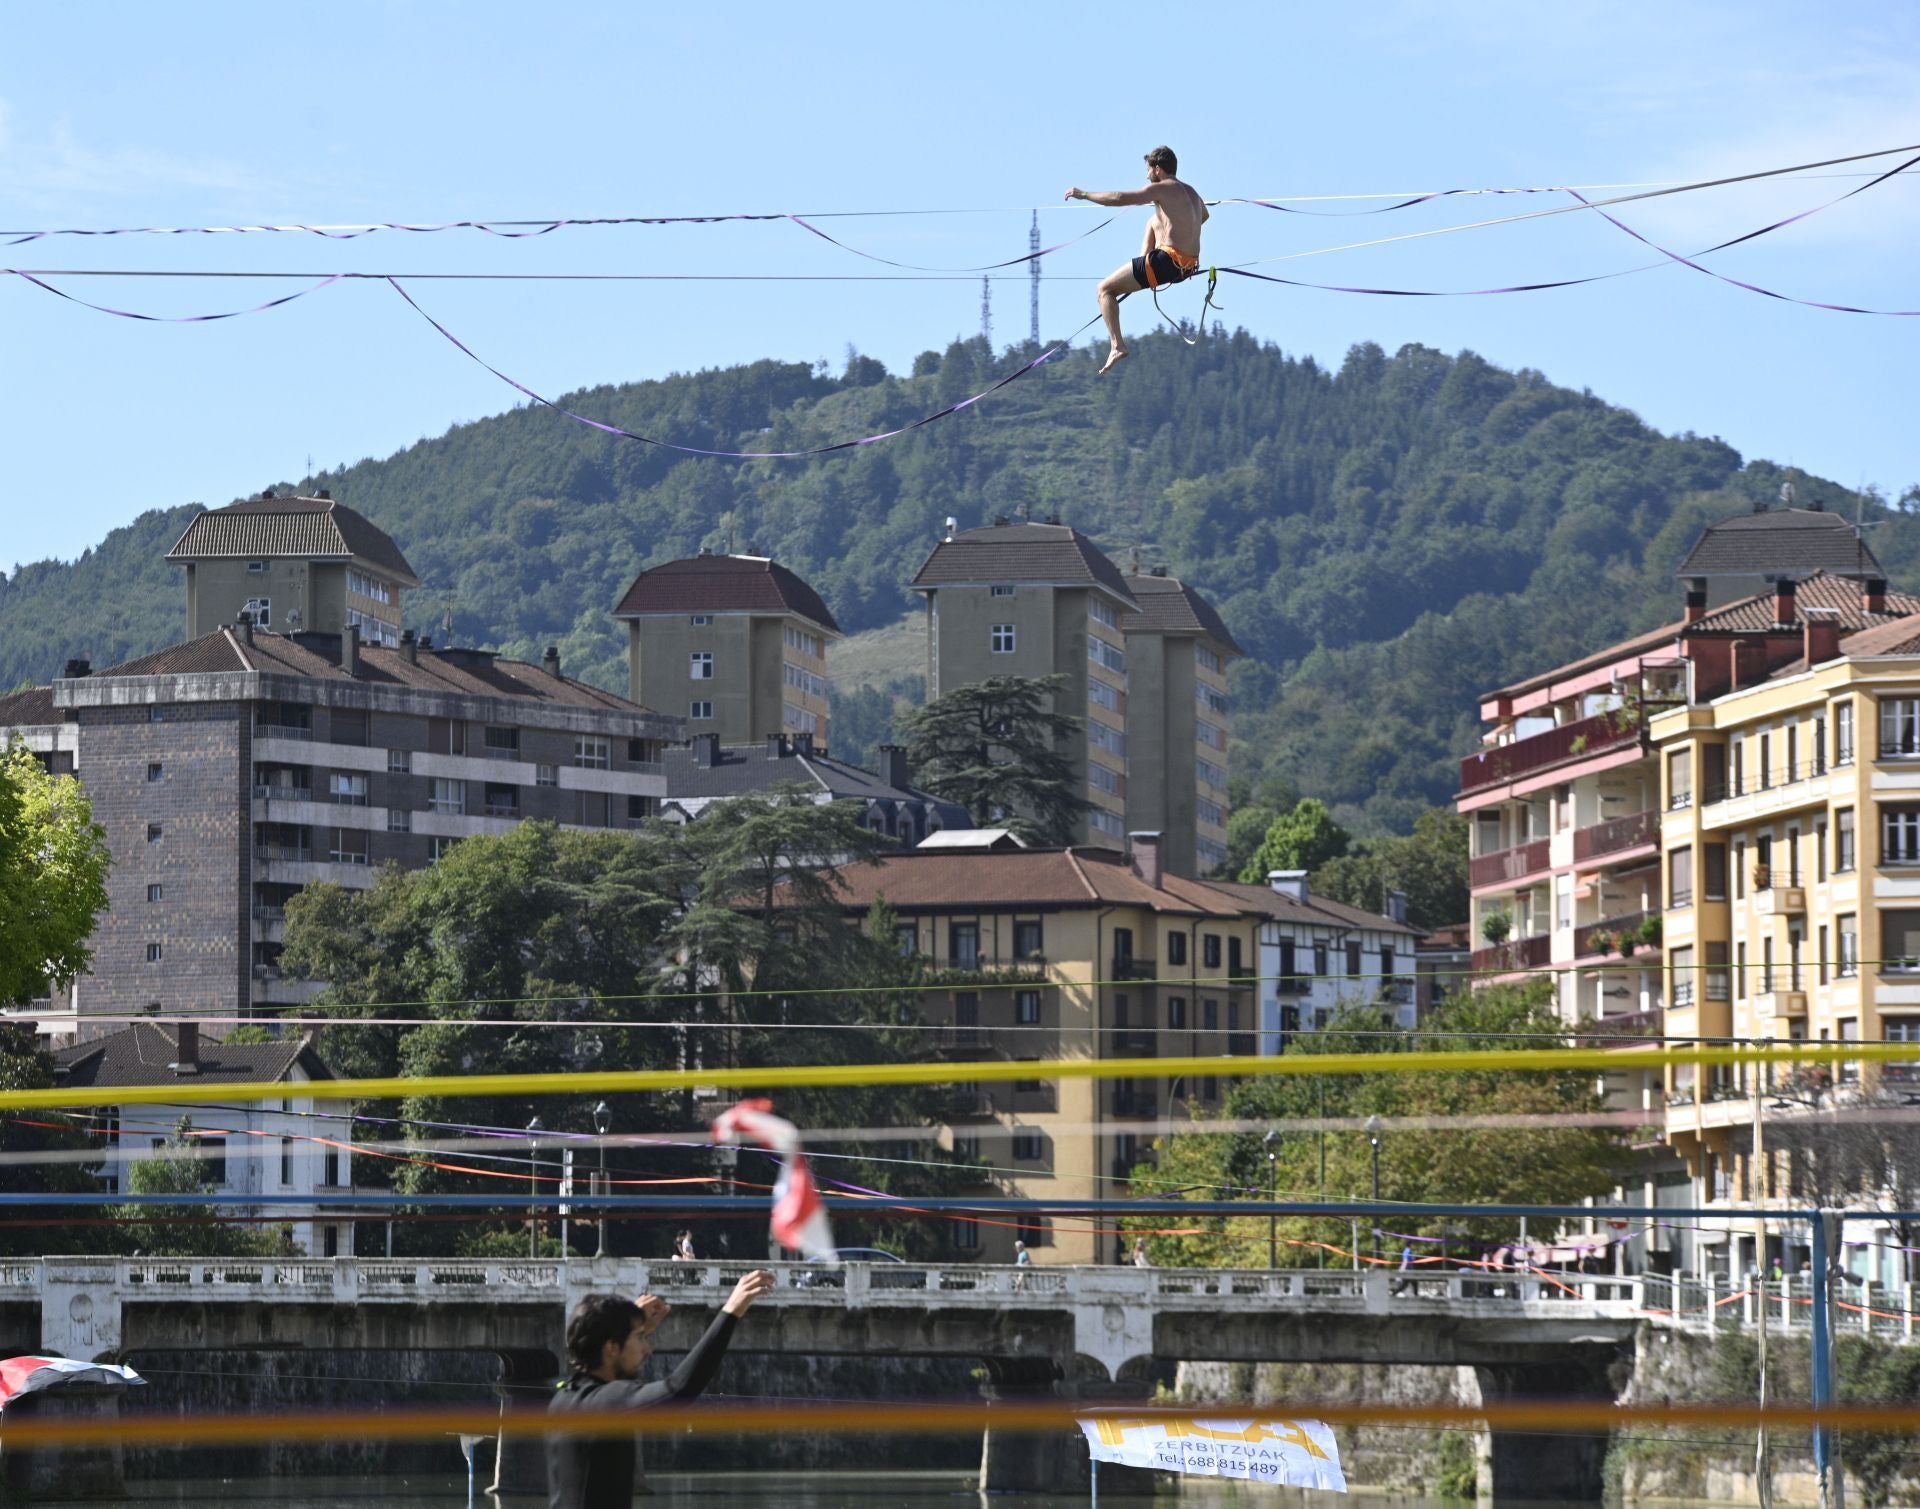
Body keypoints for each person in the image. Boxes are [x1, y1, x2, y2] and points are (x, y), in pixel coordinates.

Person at [547, 1268, 775, 1509]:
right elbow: (679, 1389)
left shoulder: (565, 1400)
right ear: (612, 1348)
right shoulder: (607, 1403)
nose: (648, 1349)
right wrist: (731, 1312)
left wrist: (628, 1326)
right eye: (641, 1338)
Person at [1063, 146, 1210, 375]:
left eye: (1148, 170)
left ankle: (1117, 346)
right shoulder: (1192, 192)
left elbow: (1119, 198)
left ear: (1158, 169)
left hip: (1167, 262)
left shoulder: (1160, 188)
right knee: (1153, 221)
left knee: (1104, 290)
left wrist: (1084, 195)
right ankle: (1140, 272)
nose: (1146, 176)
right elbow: (1204, 215)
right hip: (1187, 267)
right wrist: (1175, 228)